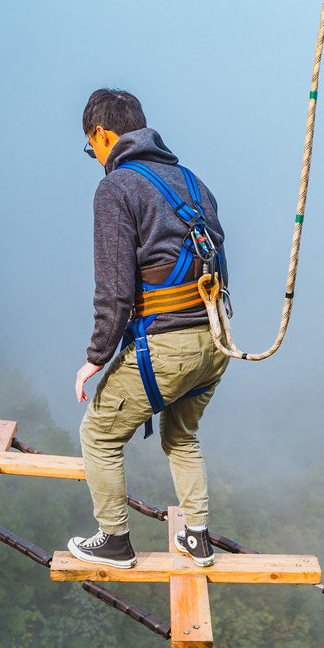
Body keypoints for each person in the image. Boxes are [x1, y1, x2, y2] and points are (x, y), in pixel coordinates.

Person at [69, 89, 229, 569]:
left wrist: (96, 358)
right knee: (181, 437)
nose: (95, 159)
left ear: (103, 135)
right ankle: (197, 537)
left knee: (98, 434)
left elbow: (115, 288)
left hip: (168, 347)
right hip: (217, 341)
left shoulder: (117, 187)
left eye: (91, 147)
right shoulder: (193, 182)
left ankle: (114, 541)